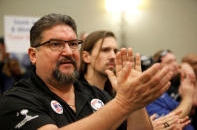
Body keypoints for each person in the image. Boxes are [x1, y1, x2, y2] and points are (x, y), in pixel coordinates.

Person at [0, 13, 173, 130]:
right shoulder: (16, 99)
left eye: (73, 44)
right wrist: (124, 103)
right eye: (55, 44)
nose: (68, 52)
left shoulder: (96, 95)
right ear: (33, 55)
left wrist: (136, 103)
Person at [146, 49, 195, 130]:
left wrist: (188, 70)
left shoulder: (179, 83)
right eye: (169, 62)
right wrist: (188, 97)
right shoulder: (152, 93)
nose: (175, 65)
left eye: (175, 60)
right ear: (156, 67)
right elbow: (166, 123)